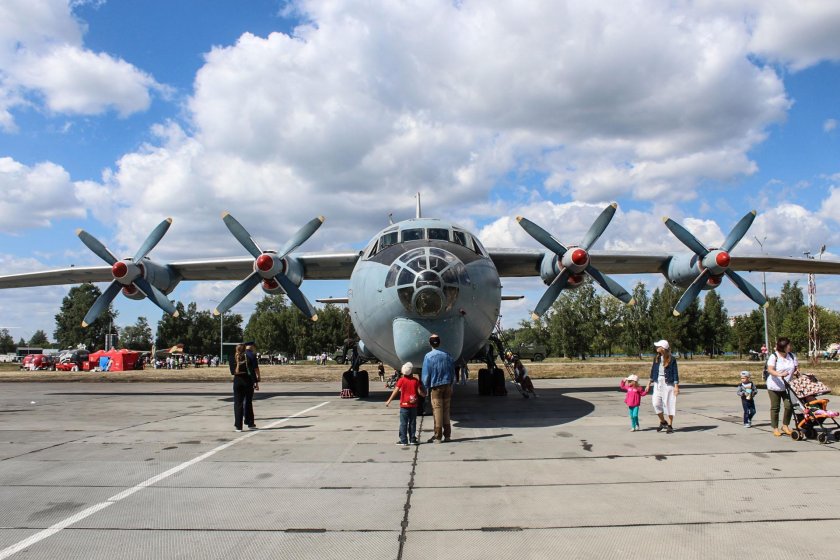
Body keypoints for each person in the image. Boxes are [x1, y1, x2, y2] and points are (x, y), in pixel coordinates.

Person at [421, 333, 456, 443]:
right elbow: (452, 371)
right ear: (439, 343)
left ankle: (437, 436)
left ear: (429, 343)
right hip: (447, 385)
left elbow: (426, 375)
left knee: (437, 411)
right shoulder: (447, 355)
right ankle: (448, 436)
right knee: (446, 411)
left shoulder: (428, 356)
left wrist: (425, 388)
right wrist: (451, 384)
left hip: (436, 387)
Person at [385, 362, 427, 446]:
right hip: (413, 406)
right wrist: (425, 394)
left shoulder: (401, 380)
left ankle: (403, 440)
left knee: (403, 423)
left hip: (404, 406)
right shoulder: (415, 380)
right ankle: (412, 439)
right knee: (412, 422)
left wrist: (389, 400)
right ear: (411, 371)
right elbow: (419, 392)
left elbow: (396, 391)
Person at [766, 337, 798, 437]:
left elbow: (795, 367)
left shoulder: (792, 356)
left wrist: (796, 372)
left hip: (787, 385)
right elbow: (770, 370)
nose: (790, 347)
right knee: (775, 407)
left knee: (789, 406)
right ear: (783, 347)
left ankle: (785, 425)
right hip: (774, 386)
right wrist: (779, 374)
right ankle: (775, 428)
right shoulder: (774, 356)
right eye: (788, 345)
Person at [650, 339, 679, 433]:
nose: (656, 347)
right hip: (658, 383)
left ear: (663, 348)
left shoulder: (672, 359)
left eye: (658, 346)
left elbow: (675, 373)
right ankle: (663, 422)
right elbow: (653, 371)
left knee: (669, 404)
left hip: (668, 383)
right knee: (656, 403)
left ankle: (670, 425)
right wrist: (649, 383)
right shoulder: (656, 358)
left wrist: (676, 386)